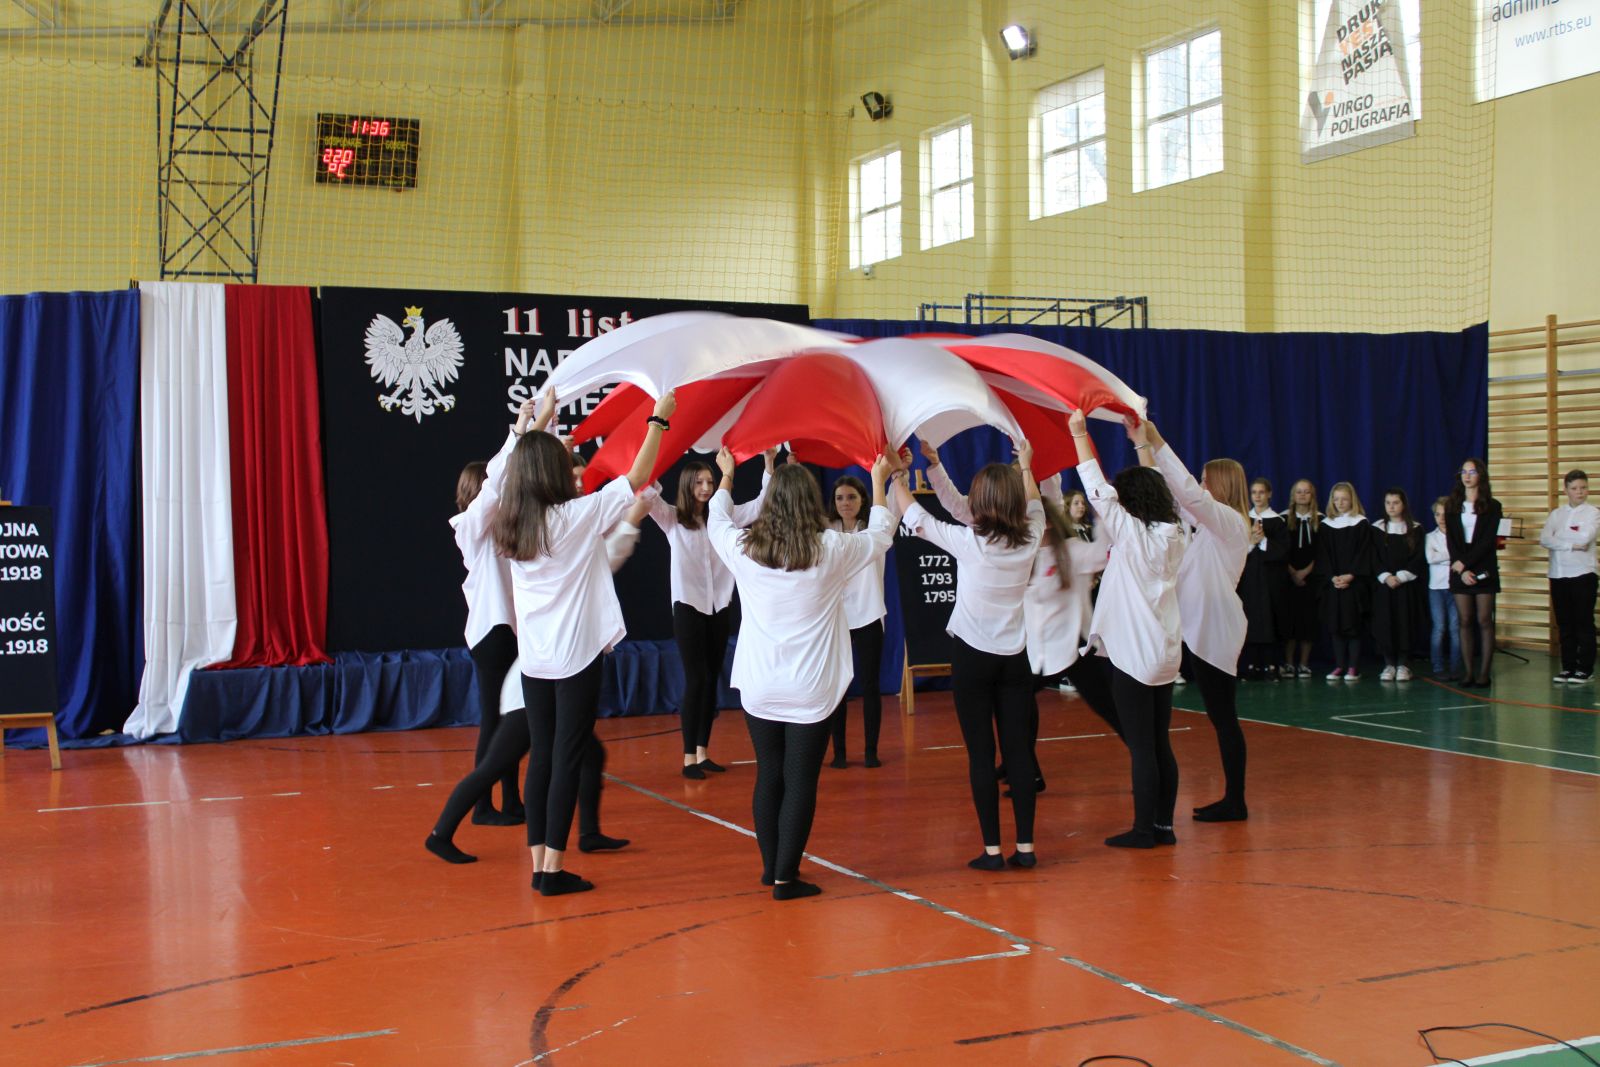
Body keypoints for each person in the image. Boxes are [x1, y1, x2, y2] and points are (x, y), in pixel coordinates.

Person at [492, 388, 674, 896]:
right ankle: (552, 869)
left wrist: (541, 424)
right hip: (576, 658)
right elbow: (637, 477)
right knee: (567, 758)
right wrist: (658, 420)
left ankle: (539, 864)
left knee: (542, 759)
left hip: (536, 661)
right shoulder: (572, 517)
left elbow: (514, 467)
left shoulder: (512, 520)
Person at [425, 490, 651, 865]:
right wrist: (630, 520)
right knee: (501, 763)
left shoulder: (544, 539)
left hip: (540, 673)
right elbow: (608, 556)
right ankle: (442, 833)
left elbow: (604, 554)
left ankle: (588, 833)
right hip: (533, 684)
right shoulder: (544, 542)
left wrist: (630, 520)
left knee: (587, 755)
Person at [708, 448, 896, 900]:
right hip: (811, 688)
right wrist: (878, 480)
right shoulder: (831, 548)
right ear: (813, 503)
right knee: (800, 780)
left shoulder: (744, 549)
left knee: (768, 774)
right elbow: (880, 534)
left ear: (770, 504)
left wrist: (728, 476)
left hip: (759, 684)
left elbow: (716, 518)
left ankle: (771, 867)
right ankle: (785, 878)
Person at [921, 445, 1118, 793]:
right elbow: (956, 506)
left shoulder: (1051, 537)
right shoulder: (1004, 533)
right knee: (1018, 705)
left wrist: (1039, 463)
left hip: (1071, 645)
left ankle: (1143, 752)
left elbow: (1050, 498)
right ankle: (1023, 767)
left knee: (1107, 707)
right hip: (1031, 645)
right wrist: (935, 465)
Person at [893, 439, 1045, 871]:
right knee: (1018, 752)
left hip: (973, 658)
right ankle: (1026, 848)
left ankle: (992, 851)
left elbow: (916, 516)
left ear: (980, 503)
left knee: (981, 753)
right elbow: (1032, 501)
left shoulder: (970, 542)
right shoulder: (1031, 534)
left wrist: (899, 475)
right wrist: (1026, 465)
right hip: (1014, 659)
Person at [1068, 410, 1187, 848]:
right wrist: (1141, 444)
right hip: (1164, 652)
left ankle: (1142, 830)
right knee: (1159, 741)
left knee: (1141, 746)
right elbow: (1149, 485)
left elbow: (1096, 489)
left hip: (1134, 654)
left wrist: (1079, 434)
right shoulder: (1175, 532)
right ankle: (1164, 826)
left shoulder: (1133, 535)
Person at [1135, 419, 1252, 823]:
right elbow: (1175, 495)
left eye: (1206, 479)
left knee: (1224, 717)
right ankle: (1234, 799)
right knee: (1222, 717)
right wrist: (1145, 449)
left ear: (1220, 484)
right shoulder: (1207, 528)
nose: (1201, 484)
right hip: (1200, 629)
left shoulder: (1230, 523)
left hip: (1215, 632)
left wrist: (1156, 441)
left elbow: (1186, 492)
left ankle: (1236, 800)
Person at [649, 451, 776, 778]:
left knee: (711, 679)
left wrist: (769, 464)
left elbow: (761, 504)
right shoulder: (672, 518)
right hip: (688, 606)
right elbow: (647, 495)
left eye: (710, 481)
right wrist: (655, 457)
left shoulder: (725, 517)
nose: (706, 488)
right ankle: (688, 757)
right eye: (699, 483)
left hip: (719, 605)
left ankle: (703, 752)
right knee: (696, 679)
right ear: (687, 486)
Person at [450, 450, 526, 828]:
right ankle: (482, 806)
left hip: (509, 631)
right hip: (491, 634)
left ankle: (511, 799)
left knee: (511, 719)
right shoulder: (469, 527)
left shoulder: (500, 529)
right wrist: (520, 433)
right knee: (494, 721)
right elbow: (494, 489)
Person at [825, 472, 892, 768]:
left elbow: (893, 505)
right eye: (840, 498)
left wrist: (897, 473)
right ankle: (839, 752)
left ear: (863, 499)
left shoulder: (876, 529)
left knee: (870, 685)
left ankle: (870, 751)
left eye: (852, 497)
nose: (845, 503)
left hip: (869, 614)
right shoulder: (826, 531)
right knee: (837, 686)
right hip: (836, 616)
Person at [1446, 458, 1503, 689]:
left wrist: (1465, 564)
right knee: (1465, 620)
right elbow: (1451, 540)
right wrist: (1460, 568)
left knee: (1484, 620)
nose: (1467, 476)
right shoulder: (1452, 505)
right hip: (1460, 568)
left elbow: (1488, 541)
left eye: (1472, 472)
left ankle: (1484, 673)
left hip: (1483, 567)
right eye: (1464, 472)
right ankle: (1468, 672)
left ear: (1481, 476)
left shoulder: (1493, 505)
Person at [1540, 469, 1599, 683]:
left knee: (1583, 622)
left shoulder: (1593, 513)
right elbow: (1544, 539)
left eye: (1583, 488)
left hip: (1583, 574)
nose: (1580, 492)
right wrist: (1571, 544)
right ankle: (1568, 667)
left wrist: (1560, 538)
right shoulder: (1556, 514)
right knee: (1564, 623)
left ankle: (1585, 668)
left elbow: (1585, 538)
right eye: (1574, 488)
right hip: (1558, 574)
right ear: (1566, 490)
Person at [1318, 482, 1372, 682]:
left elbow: (1364, 553)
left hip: (1354, 584)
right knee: (1336, 626)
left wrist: (1351, 575)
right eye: (1336, 499)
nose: (1340, 503)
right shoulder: (1326, 525)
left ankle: (1353, 667)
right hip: (1334, 584)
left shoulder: (1361, 523)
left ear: (1352, 500)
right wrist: (1332, 577)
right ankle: (1340, 665)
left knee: (1353, 625)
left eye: (1344, 499)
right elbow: (1322, 554)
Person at [1370, 489, 1425, 682]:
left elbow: (1419, 557)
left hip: (1406, 586)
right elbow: (1373, 557)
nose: (1391, 507)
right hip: (1384, 586)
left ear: (1404, 505)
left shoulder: (1415, 529)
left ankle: (1403, 664)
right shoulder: (1377, 529)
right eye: (1388, 503)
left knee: (1404, 623)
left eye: (1396, 502)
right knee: (1385, 623)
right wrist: (1386, 577)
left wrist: (1401, 577)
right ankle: (1389, 664)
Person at [1238, 478, 1290, 681]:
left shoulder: (1278, 521)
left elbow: (1283, 551)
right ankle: (1250, 665)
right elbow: (1237, 551)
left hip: (1271, 580)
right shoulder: (1244, 519)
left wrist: (1264, 541)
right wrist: (1251, 542)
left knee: (1270, 619)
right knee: (1249, 618)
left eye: (1261, 492)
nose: (1257, 496)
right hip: (1249, 579)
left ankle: (1271, 665)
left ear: (1269, 494)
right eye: (1254, 492)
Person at [1282, 479, 1321, 678]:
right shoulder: (1283, 519)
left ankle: (1304, 663)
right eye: (1299, 491)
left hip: (1311, 579)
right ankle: (1289, 663)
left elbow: (1321, 551)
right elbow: (1281, 550)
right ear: (1293, 495)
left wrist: (1305, 572)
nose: (1303, 495)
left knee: (1308, 621)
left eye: (1307, 491)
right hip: (1288, 579)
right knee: (1290, 621)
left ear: (1312, 495)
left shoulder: (1320, 520)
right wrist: (1293, 573)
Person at [1425, 497, 1463, 680]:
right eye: (1437, 514)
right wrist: (1451, 558)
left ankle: (1456, 668)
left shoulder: (1459, 536)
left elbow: (1462, 557)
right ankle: (1438, 667)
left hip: (1455, 587)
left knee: (1455, 628)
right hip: (1436, 588)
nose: (1441, 518)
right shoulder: (1430, 537)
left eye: (1445, 514)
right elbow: (1430, 558)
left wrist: (1444, 557)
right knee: (1439, 628)